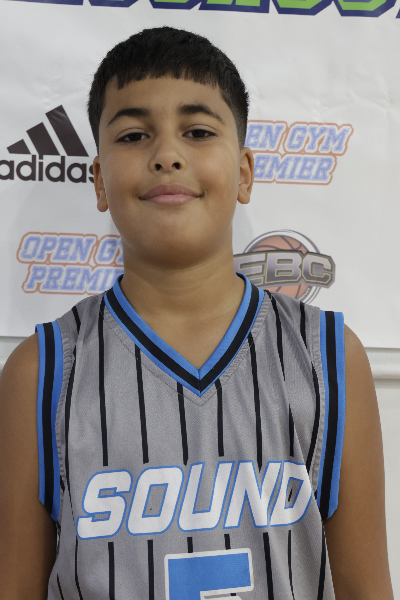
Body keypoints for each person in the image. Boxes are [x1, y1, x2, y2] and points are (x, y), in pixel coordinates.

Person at [0, 26, 393, 600]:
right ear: (100, 181)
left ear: (244, 173)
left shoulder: (328, 357)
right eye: (134, 135)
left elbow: (368, 588)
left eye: (198, 132)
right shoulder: (42, 371)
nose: (167, 155)